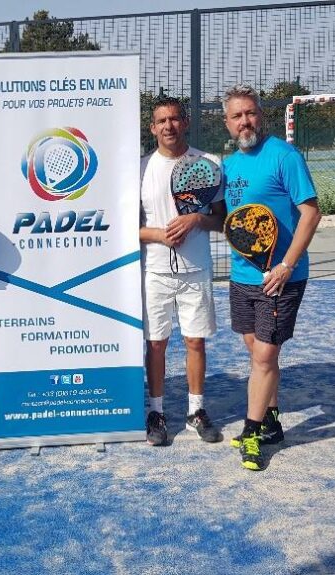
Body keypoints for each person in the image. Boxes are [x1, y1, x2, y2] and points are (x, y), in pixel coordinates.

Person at [221, 85, 321, 471]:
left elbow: (311, 213)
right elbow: (231, 222)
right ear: (227, 123)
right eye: (237, 116)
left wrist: (286, 267)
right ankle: (272, 421)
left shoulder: (285, 156)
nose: (245, 121)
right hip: (242, 275)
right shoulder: (229, 166)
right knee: (256, 351)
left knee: (264, 355)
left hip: (280, 278)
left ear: (261, 115)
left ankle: (252, 432)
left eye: (251, 113)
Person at [138, 97, 226, 447]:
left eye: (175, 119)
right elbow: (126, 229)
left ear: (185, 122)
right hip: (154, 272)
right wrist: (159, 234)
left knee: (195, 341)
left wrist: (196, 219)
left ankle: (195, 411)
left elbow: (221, 221)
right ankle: (156, 412)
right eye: (162, 121)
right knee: (156, 344)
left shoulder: (209, 163)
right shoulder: (139, 169)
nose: (169, 126)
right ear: (153, 128)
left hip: (196, 270)